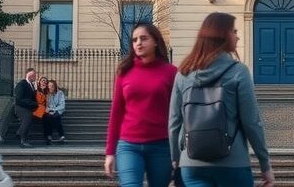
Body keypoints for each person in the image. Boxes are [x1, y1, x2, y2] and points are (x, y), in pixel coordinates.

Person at [169, 12, 274, 187]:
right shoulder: (238, 71)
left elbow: (174, 122)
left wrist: (175, 159)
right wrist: (265, 164)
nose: (238, 37)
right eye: (234, 31)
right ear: (223, 35)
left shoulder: (183, 73)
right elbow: (252, 122)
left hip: (192, 164)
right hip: (233, 163)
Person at [105, 23, 178, 187]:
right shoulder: (124, 72)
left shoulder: (171, 72)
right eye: (134, 40)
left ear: (155, 42)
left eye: (144, 38)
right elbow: (116, 113)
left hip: (162, 145)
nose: (138, 43)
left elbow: (178, 113)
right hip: (128, 145)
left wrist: (178, 151)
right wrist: (110, 152)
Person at [12, 67, 38, 148]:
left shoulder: (32, 85)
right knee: (27, 118)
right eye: (34, 75)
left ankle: (19, 133)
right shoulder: (22, 84)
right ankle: (22, 140)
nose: (35, 77)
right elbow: (19, 99)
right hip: (21, 107)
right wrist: (33, 103)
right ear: (30, 75)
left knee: (32, 117)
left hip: (27, 107)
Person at [44, 79, 66, 144]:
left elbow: (62, 105)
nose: (50, 87)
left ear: (55, 86)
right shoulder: (46, 94)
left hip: (58, 110)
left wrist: (54, 110)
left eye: (52, 86)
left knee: (56, 117)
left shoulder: (60, 93)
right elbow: (46, 104)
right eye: (49, 86)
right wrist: (49, 110)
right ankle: (49, 135)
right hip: (49, 110)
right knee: (48, 117)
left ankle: (61, 135)